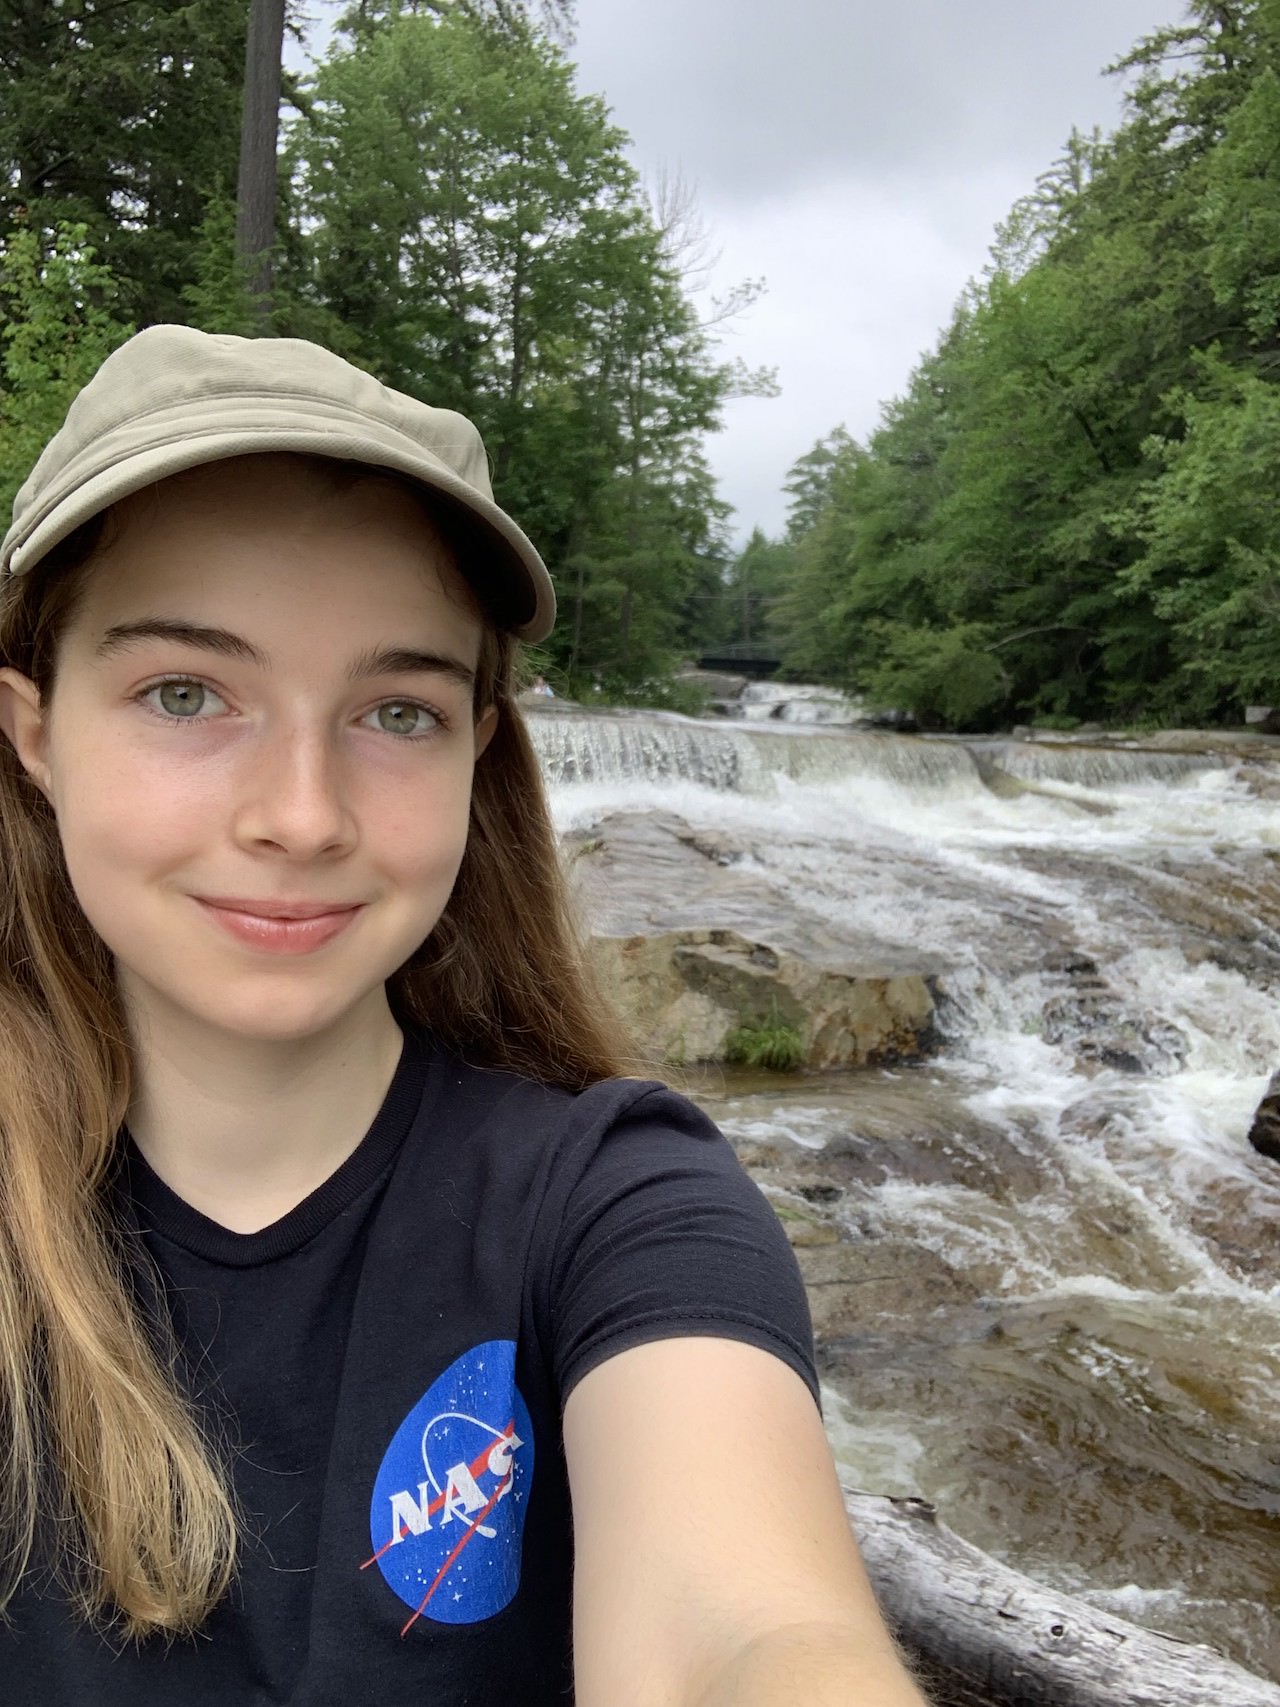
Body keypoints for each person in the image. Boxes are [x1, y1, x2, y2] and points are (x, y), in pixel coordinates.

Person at [0, 325, 928, 1706]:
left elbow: (745, 1639)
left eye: (396, 711)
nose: (301, 817)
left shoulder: (619, 1205)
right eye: (186, 695)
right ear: (34, 734)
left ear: (478, 750)